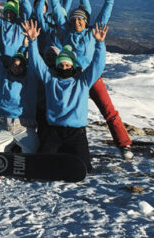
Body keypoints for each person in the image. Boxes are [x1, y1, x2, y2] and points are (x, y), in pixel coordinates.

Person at [50, 0, 133, 159]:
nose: (77, 22)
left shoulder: (91, 33)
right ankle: (64, 145)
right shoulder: (66, 32)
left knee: (108, 110)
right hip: (71, 79)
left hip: (91, 77)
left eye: (80, 19)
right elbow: (57, 12)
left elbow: (104, 15)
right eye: (74, 19)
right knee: (66, 112)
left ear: (85, 21)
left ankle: (124, 145)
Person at [23, 19, 109, 171]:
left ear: (73, 65)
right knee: (41, 166)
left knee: (84, 168)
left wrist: (100, 44)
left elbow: (97, 65)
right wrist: (32, 41)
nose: (64, 68)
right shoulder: (51, 80)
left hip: (76, 133)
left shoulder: (82, 81)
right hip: (54, 131)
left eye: (68, 65)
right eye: (61, 65)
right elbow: (36, 63)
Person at [0, 14, 39, 154]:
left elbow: (35, 60)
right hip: (5, 127)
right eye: (14, 64)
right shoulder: (3, 76)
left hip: (24, 128)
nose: (16, 68)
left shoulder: (30, 79)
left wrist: (32, 42)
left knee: (31, 155)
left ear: (24, 67)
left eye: (20, 65)